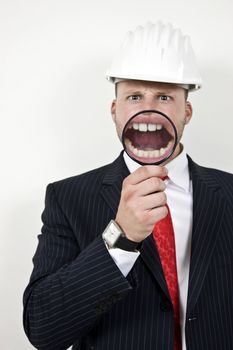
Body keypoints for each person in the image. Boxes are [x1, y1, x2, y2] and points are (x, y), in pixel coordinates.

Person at [23, 22, 233, 350]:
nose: (149, 109)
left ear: (187, 112)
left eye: (164, 96)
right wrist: (121, 235)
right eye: (134, 96)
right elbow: (44, 329)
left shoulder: (229, 193)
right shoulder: (68, 198)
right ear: (115, 110)